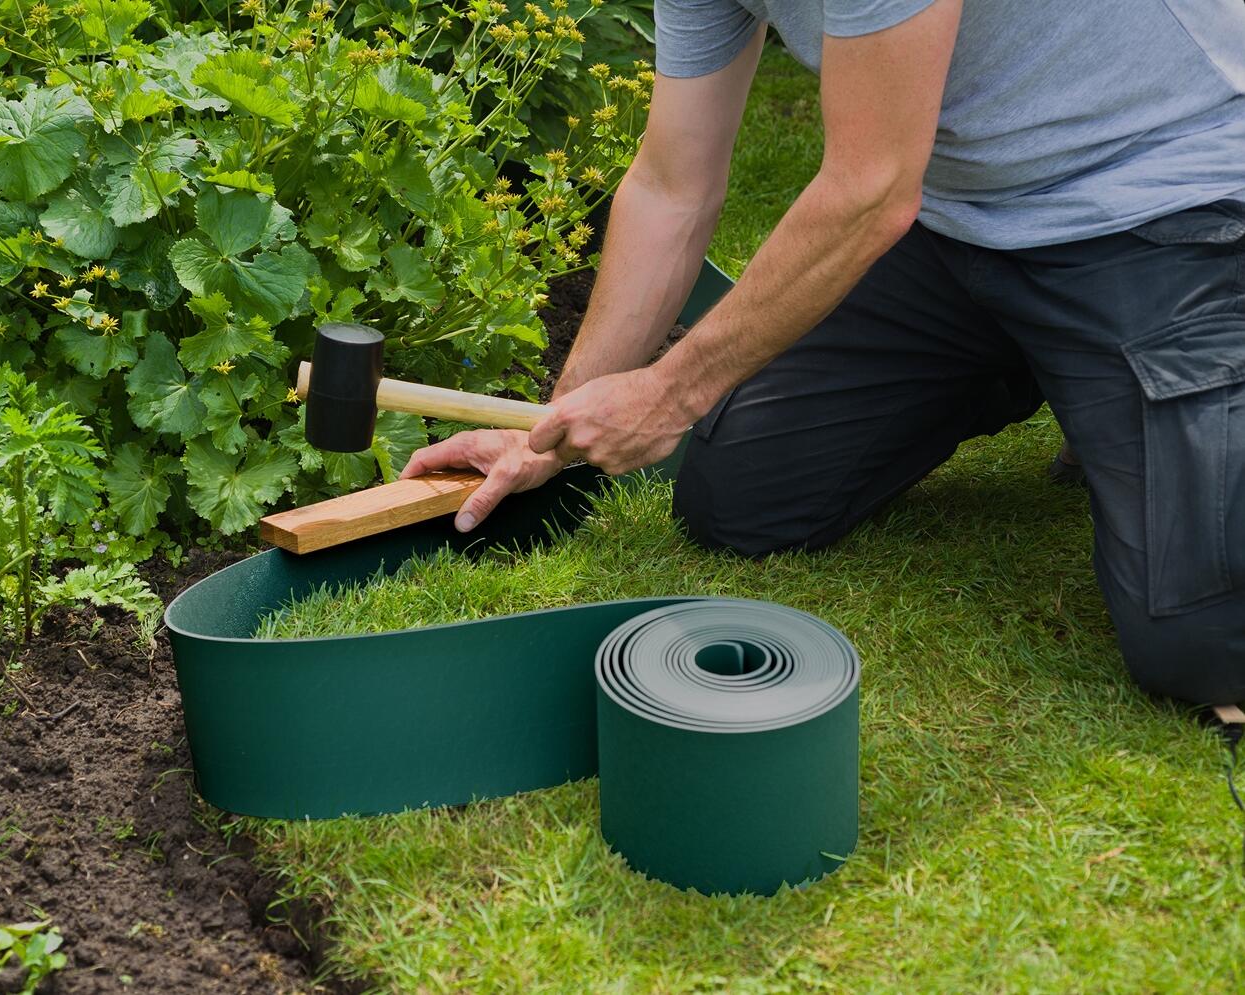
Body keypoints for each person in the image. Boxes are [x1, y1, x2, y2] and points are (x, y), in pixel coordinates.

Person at [402, 0, 1245, 705]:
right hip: (963, 224)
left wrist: (670, 392)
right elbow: (672, 183)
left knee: (1201, 645)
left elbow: (871, 189)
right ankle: (1066, 370)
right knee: (741, 499)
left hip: (1162, 202)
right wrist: (544, 429)